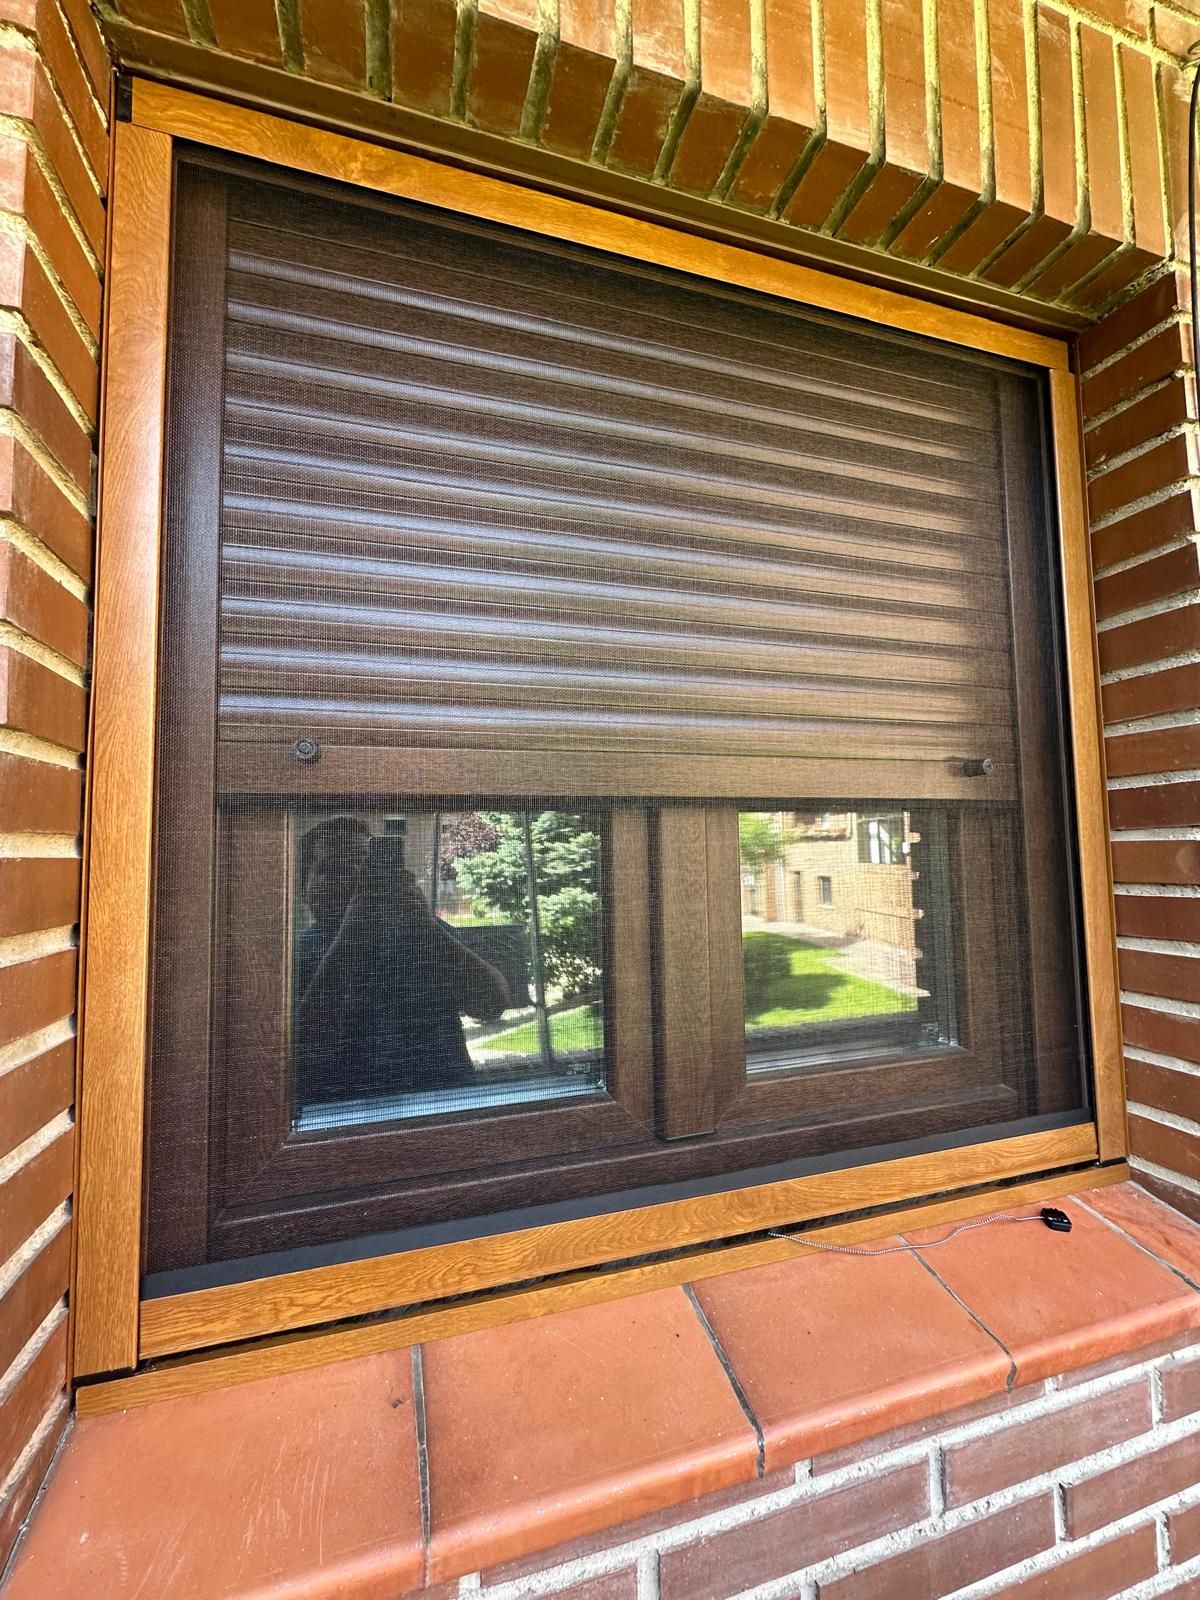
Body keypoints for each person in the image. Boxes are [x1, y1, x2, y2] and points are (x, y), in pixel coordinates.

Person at [294, 816, 510, 1108]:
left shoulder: (423, 933)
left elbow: (491, 1003)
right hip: (346, 1121)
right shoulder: (295, 957)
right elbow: (300, 1050)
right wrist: (354, 932)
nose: (354, 877)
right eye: (333, 868)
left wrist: (422, 921)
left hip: (447, 1109)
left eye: (364, 865)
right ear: (303, 891)